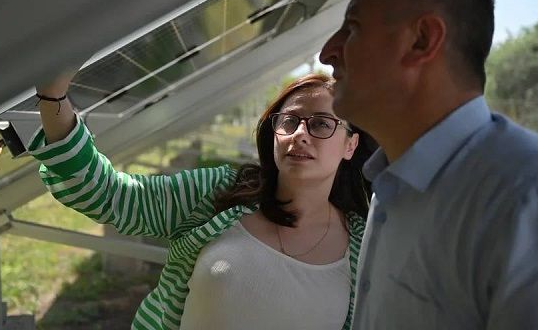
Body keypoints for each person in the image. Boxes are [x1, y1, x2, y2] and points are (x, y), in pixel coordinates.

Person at [28, 72, 377, 330]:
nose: (299, 134)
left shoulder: (365, 247)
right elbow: (110, 195)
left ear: (350, 145)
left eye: (321, 124)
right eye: (289, 122)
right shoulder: (220, 193)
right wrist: (53, 96)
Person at [319, 0, 538, 330]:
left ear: (422, 40)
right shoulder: (390, 186)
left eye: (352, 28)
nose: (327, 52)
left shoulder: (522, 198)